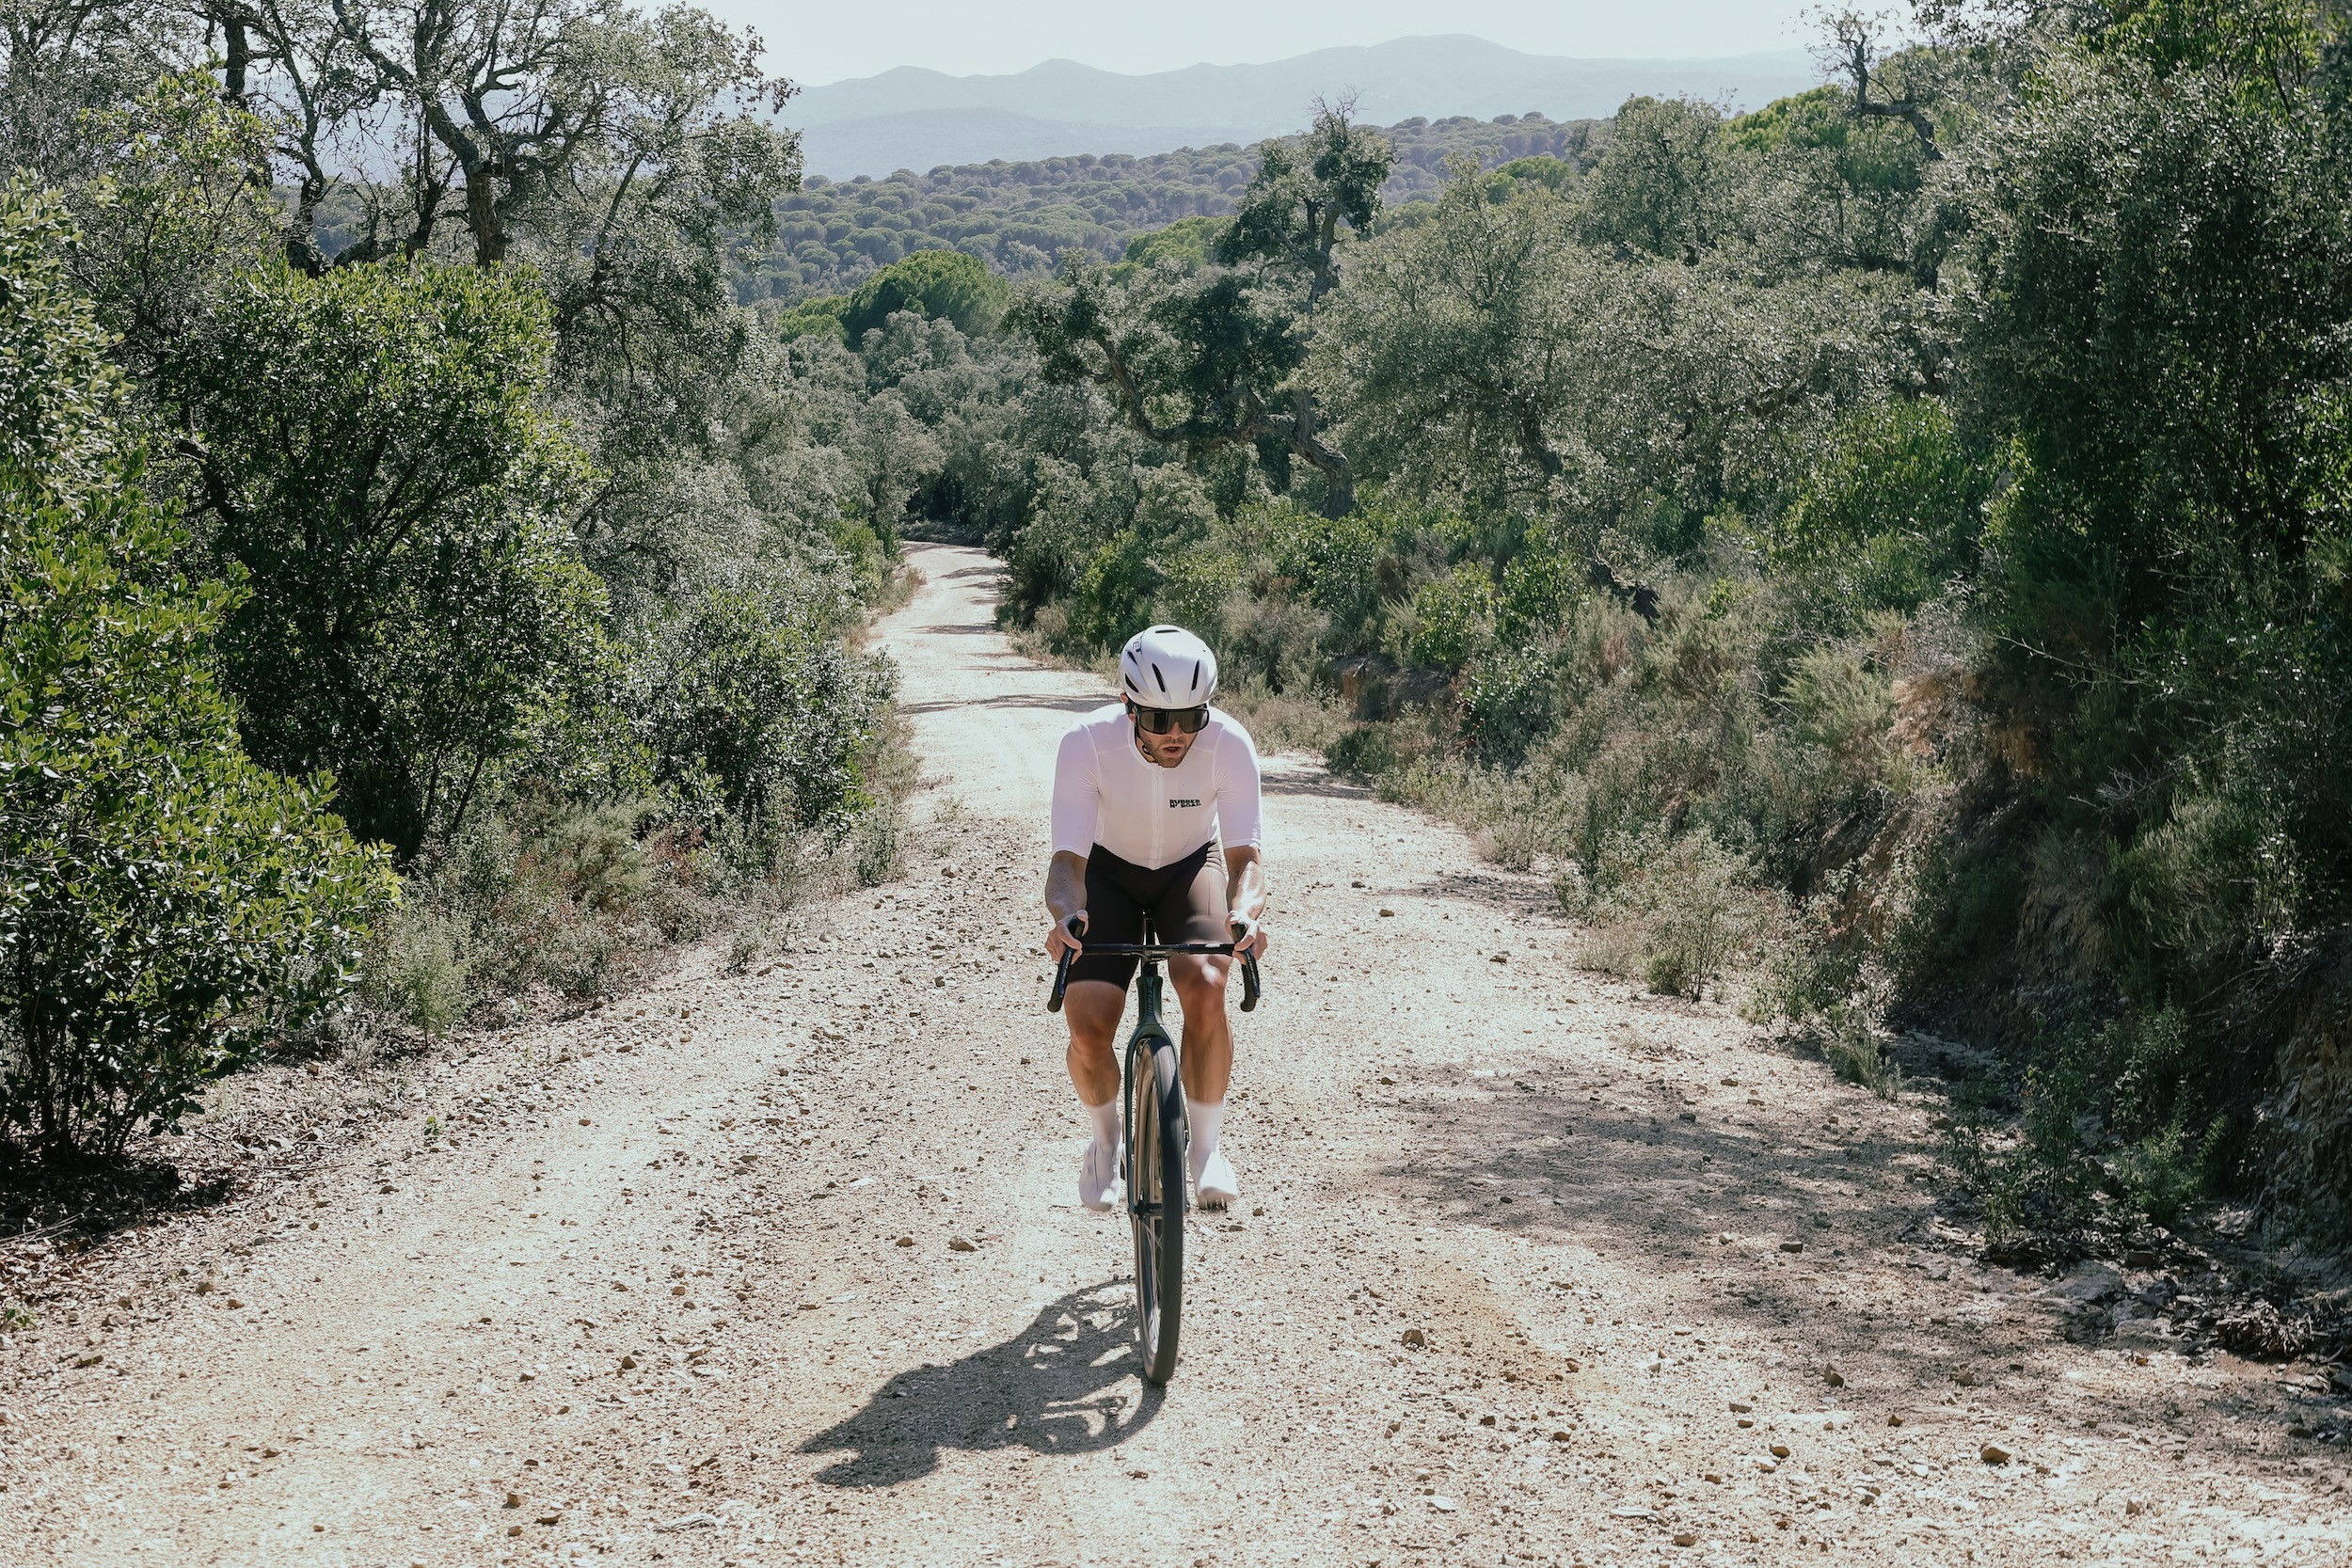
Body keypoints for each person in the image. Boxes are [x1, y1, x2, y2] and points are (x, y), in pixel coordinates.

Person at [1043, 624, 1270, 1212]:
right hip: (1109, 874)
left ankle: (1206, 1151)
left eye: (1191, 718)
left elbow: (1246, 860)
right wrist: (1068, 915)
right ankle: (1103, 1139)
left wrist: (1243, 914)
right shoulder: (1086, 744)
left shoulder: (1230, 744)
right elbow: (1067, 863)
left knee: (1207, 982)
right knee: (1090, 1023)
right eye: (1158, 719)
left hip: (1188, 868)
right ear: (1127, 704)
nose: (1176, 735)